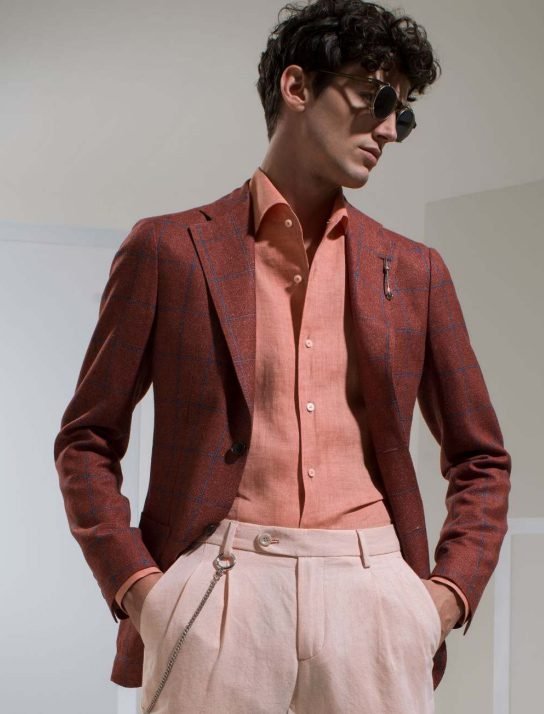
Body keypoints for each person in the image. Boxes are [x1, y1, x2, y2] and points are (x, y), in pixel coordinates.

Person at [54, 1, 511, 712]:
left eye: (403, 114)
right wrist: (144, 593)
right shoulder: (170, 250)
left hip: (374, 593)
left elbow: (481, 458)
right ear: (297, 87)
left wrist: (442, 600)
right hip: (218, 588)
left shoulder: (415, 271)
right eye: (375, 99)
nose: (390, 129)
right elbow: (86, 440)